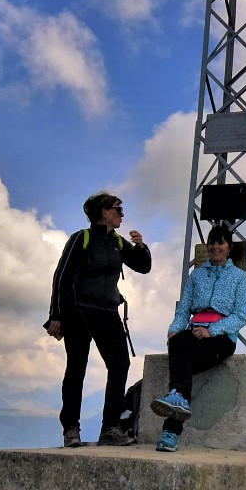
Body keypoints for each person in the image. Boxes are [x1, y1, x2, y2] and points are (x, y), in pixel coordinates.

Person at [45, 191, 151, 448]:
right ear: (104, 212)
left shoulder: (118, 242)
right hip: (79, 311)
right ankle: (71, 429)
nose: (122, 214)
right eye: (118, 209)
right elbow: (62, 277)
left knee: (120, 364)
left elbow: (143, 266)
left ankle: (110, 428)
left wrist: (141, 246)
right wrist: (55, 316)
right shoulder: (81, 239)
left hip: (107, 311)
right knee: (77, 368)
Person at [149, 224, 246, 453]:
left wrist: (212, 330)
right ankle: (177, 406)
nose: (215, 246)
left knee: (181, 370)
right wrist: (174, 329)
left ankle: (171, 431)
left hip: (222, 337)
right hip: (194, 331)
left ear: (229, 247)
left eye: (220, 242)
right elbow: (183, 309)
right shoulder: (197, 275)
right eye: (212, 242)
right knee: (178, 344)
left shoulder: (240, 277)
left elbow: (241, 315)